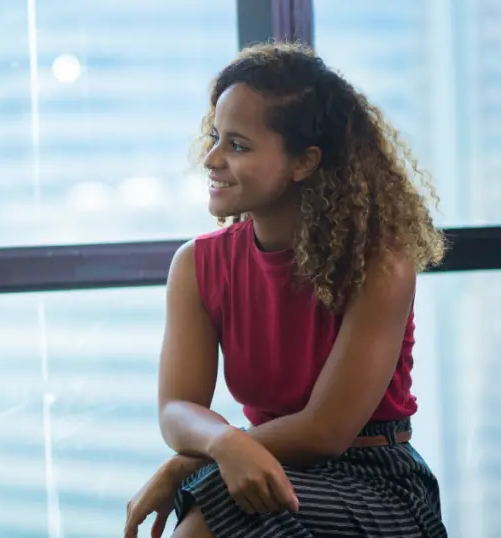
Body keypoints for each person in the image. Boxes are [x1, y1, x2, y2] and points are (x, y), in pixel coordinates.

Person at [124, 42, 449, 538]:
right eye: (215, 137)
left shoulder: (380, 263)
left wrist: (189, 464)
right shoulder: (197, 264)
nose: (211, 159)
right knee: (219, 502)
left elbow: (325, 431)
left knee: (210, 510)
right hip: (260, 461)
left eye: (238, 145)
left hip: (380, 483)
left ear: (304, 162)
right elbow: (175, 410)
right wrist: (224, 448)